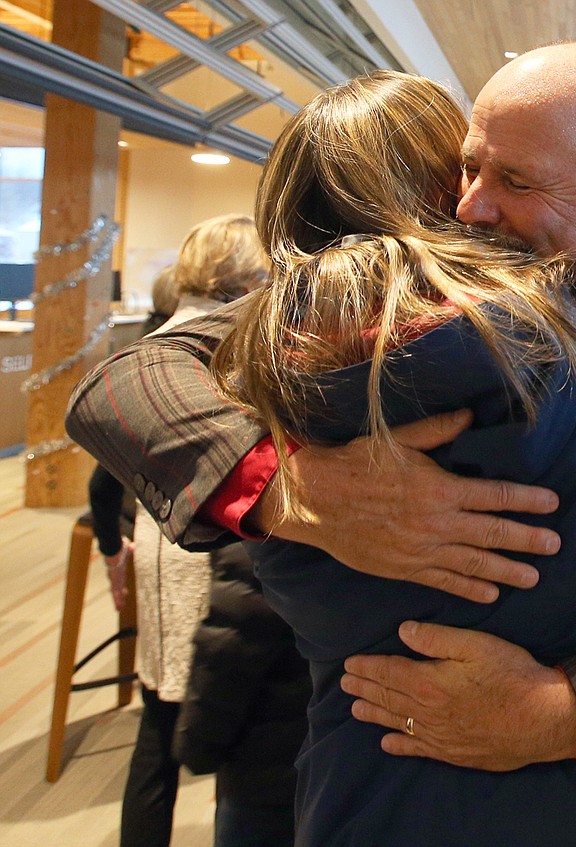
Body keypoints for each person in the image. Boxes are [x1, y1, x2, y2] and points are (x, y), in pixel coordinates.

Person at [68, 52, 576, 844]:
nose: (471, 208)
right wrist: (287, 484)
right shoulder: (312, 335)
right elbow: (128, 380)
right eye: (465, 168)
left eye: (518, 181)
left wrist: (567, 710)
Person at [119, 215, 268, 847]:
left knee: (157, 723)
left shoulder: (157, 339)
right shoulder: (230, 348)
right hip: (207, 546)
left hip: (156, 535)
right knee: (222, 727)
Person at [172, 542, 309, 847]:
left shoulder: (259, 542)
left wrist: (196, 745)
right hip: (344, 760)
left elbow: (225, 656)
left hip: (265, 774)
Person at [88, 265, 180, 613]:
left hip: (141, 505)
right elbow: (101, 487)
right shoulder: (164, 361)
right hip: (148, 515)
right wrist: (113, 554)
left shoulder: (143, 345)